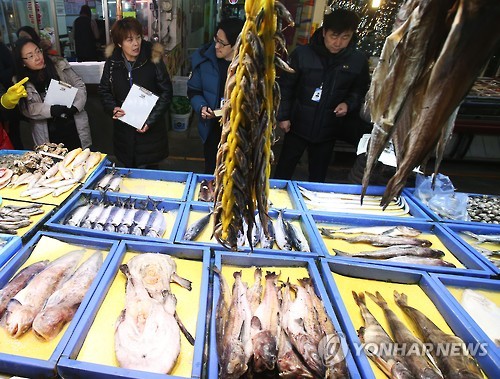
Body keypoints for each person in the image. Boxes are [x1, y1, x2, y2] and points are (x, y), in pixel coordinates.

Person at [274, 8, 370, 182]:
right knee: (283, 171)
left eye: (345, 37)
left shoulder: (357, 61)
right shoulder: (302, 55)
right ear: (324, 32)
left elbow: (360, 89)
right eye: (334, 36)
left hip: (329, 127)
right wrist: (283, 116)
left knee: (318, 176)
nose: (338, 42)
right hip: (297, 124)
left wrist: (348, 104)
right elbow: (286, 87)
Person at [98, 17, 172, 168]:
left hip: (150, 134)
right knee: (127, 176)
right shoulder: (112, 62)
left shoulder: (153, 57)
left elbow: (166, 92)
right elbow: (104, 90)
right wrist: (112, 107)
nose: (136, 43)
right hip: (124, 131)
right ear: (119, 43)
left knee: (150, 177)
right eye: (129, 40)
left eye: (138, 37)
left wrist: (150, 120)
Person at [187, 17, 244, 174]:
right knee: (211, 169)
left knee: (236, 172)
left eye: (222, 43)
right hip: (212, 127)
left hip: (239, 130)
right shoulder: (205, 59)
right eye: (216, 40)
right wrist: (202, 106)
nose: (216, 46)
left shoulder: (249, 66)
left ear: (237, 44)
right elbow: (193, 90)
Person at [13, 37, 92, 149]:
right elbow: (26, 108)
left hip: (73, 125)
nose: (37, 57)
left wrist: (75, 107)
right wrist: (51, 110)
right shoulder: (20, 81)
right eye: (30, 56)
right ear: (22, 62)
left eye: (38, 51)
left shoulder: (58, 65)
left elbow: (79, 85)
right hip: (47, 133)